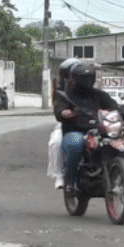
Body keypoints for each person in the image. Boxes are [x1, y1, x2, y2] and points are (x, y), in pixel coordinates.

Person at [55, 61, 120, 196]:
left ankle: (118, 176)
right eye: (83, 78)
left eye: (89, 78)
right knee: (75, 143)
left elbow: (114, 107)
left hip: (100, 132)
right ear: (73, 78)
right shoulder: (67, 95)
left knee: (119, 143)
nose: (86, 81)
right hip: (75, 131)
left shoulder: (99, 95)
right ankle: (70, 183)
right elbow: (59, 110)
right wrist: (65, 113)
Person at [46, 58, 79, 189]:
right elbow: (59, 109)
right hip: (69, 126)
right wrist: (64, 113)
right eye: (71, 75)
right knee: (56, 142)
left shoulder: (92, 92)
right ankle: (60, 175)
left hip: (92, 126)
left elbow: (108, 104)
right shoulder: (62, 93)